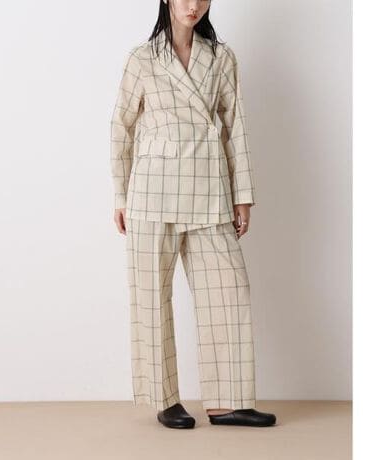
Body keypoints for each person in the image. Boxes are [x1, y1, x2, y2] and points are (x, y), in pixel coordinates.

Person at [110, 0, 276, 429]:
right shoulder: (142, 59)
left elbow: (235, 126)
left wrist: (242, 195)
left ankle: (228, 401)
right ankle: (164, 398)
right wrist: (120, 195)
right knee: (151, 296)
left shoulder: (221, 57)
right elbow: (120, 129)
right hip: (152, 193)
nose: (193, 5)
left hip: (208, 189)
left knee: (229, 290)